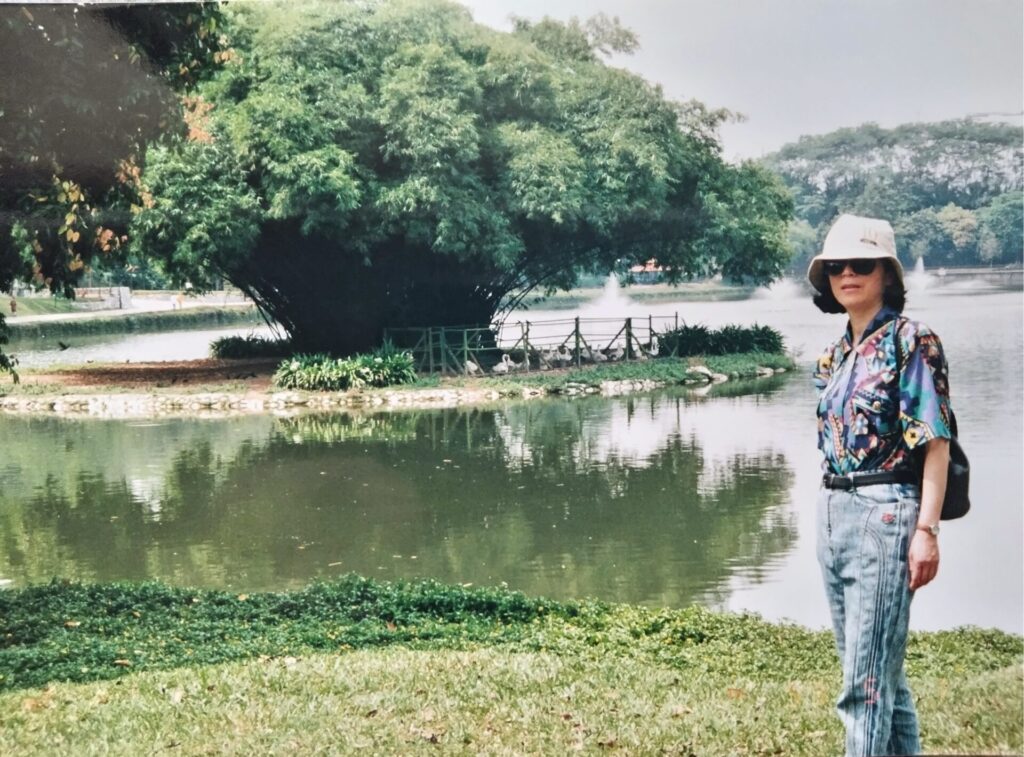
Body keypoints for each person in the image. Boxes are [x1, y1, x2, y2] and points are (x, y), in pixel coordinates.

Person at [808, 214, 951, 757]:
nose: (848, 274)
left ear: (886, 274)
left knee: (864, 688)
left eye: (861, 264)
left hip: (885, 513)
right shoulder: (834, 353)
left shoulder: (912, 341)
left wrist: (927, 530)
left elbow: (933, 441)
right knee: (877, 672)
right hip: (833, 509)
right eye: (837, 266)